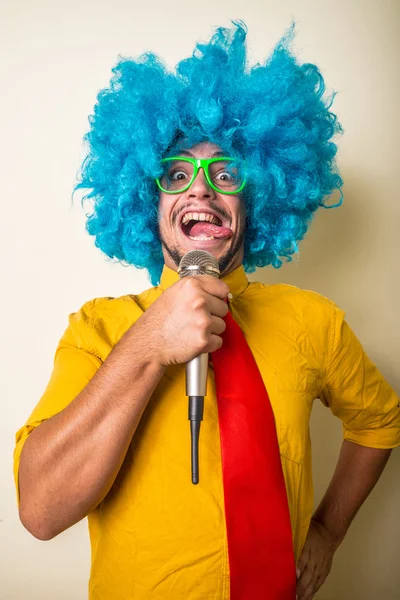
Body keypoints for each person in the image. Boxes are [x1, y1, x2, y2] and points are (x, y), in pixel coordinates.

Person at [14, 22, 399, 600]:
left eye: (225, 173)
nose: (200, 190)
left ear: (258, 196)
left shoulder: (314, 321)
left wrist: (327, 530)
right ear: (148, 203)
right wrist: (147, 344)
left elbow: (379, 421)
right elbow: (40, 512)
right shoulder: (97, 329)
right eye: (176, 175)